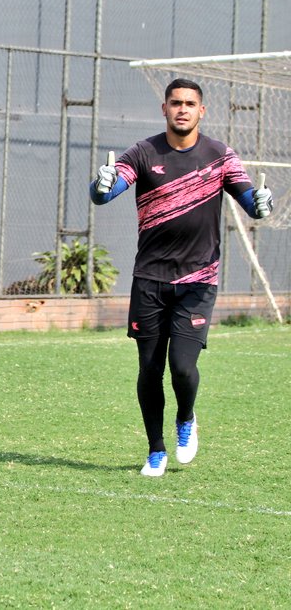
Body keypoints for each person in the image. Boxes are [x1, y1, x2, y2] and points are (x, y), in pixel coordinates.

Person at [90, 77, 273, 477]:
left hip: (199, 280)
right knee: (149, 370)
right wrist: (100, 185)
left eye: (190, 103)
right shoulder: (143, 152)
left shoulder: (220, 156)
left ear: (201, 111)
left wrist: (260, 203)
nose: (183, 109)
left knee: (184, 368)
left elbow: (249, 201)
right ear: (165, 108)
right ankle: (156, 450)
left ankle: (186, 418)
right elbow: (107, 190)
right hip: (150, 279)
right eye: (176, 102)